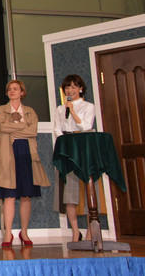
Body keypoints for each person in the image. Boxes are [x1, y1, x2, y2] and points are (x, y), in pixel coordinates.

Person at [0, 80, 49, 247]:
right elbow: (3, 128)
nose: (12, 91)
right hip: (8, 153)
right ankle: (8, 233)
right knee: (9, 195)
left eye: (15, 89)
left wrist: (15, 127)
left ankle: (24, 232)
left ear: (22, 92)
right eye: (9, 89)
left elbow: (33, 131)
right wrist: (23, 126)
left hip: (26, 152)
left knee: (26, 195)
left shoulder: (30, 111)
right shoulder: (1, 110)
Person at [53, 74, 96, 242]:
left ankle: (90, 233)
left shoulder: (88, 106)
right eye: (67, 87)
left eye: (73, 87)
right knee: (69, 193)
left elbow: (86, 126)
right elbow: (57, 129)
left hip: (84, 148)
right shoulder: (60, 109)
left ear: (80, 89)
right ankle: (75, 231)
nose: (70, 90)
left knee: (88, 191)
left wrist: (72, 111)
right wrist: (63, 146)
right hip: (67, 148)